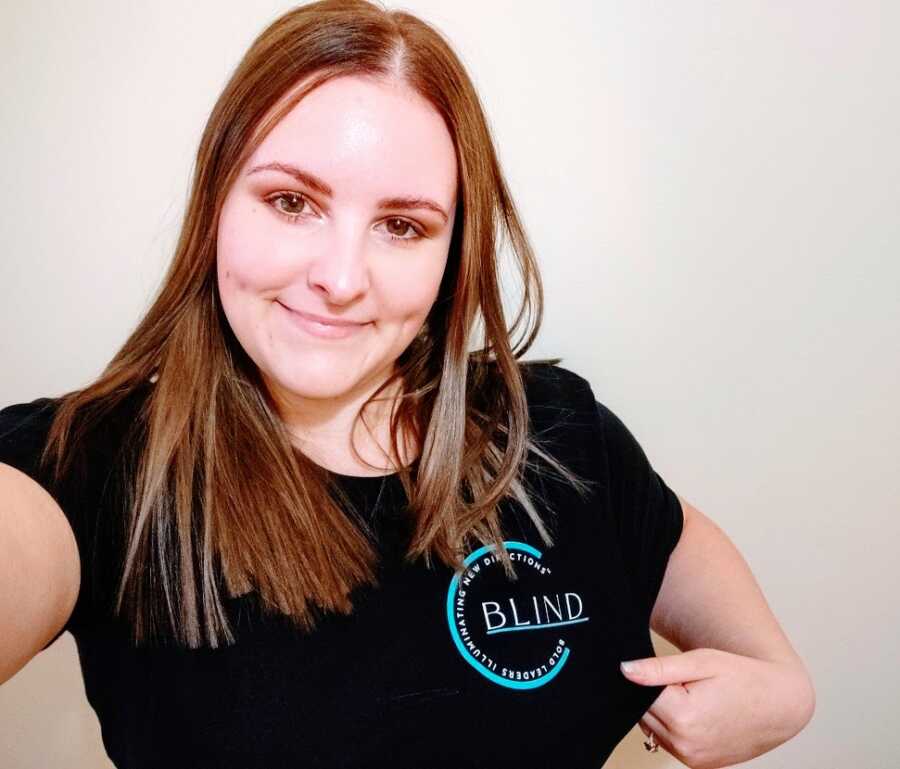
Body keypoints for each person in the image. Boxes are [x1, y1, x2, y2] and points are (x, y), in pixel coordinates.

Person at [0, 1, 815, 767]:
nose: (342, 277)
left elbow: (671, 538)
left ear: (451, 251)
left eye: (401, 225)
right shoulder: (91, 467)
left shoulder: (555, 432)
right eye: (291, 201)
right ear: (218, 200)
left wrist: (783, 682)